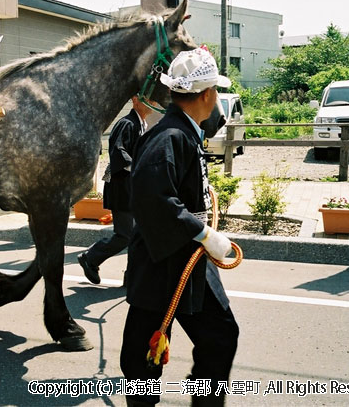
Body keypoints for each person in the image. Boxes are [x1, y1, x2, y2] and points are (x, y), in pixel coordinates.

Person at [120, 47, 236, 407]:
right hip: (163, 262)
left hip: (186, 258)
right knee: (143, 360)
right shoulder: (169, 136)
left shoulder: (183, 132)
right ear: (207, 95)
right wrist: (203, 232)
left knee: (219, 336)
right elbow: (152, 197)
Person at [78, 95, 158, 285]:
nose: (154, 103)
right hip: (121, 188)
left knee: (139, 234)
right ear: (135, 100)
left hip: (133, 188)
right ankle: (91, 258)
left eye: (154, 100)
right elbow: (118, 153)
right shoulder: (127, 124)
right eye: (149, 99)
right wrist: (139, 167)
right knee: (125, 235)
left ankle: (132, 276)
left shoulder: (141, 125)